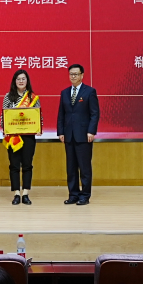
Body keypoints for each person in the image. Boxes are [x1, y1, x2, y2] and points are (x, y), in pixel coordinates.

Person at [57, 63, 100, 205]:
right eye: (71, 74)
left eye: (76, 74)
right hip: (68, 135)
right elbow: (61, 114)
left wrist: (91, 131)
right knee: (71, 168)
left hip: (84, 135)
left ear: (82, 75)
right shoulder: (64, 92)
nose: (73, 76)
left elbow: (94, 114)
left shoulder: (90, 92)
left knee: (84, 167)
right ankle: (73, 194)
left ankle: (85, 196)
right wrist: (61, 132)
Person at [2, 69, 40, 205]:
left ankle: (25, 193)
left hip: (28, 136)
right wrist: (4, 129)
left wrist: (39, 128)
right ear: (14, 81)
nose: (21, 81)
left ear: (27, 81)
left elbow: (38, 115)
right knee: (14, 165)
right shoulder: (8, 97)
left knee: (27, 165)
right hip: (13, 136)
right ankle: (16, 193)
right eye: (18, 79)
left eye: (23, 79)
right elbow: (3, 116)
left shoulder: (33, 97)